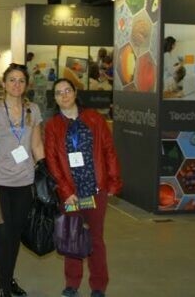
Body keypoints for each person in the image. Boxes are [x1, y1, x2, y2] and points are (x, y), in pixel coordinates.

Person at [44, 79, 122, 297]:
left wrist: (114, 181)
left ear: (75, 92)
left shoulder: (95, 119)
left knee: (96, 239)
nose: (64, 95)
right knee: (72, 237)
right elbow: (52, 162)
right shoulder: (52, 126)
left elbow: (109, 150)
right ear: (55, 98)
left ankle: (98, 286)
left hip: (95, 191)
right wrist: (66, 192)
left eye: (67, 90)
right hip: (71, 195)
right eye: (59, 93)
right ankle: (72, 284)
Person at [0, 63, 45, 297]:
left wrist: (44, 169)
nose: (16, 84)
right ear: (4, 83)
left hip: (24, 181)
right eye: (12, 80)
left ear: (26, 84)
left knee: (16, 234)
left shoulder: (33, 110)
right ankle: (4, 286)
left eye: (21, 80)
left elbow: (36, 144)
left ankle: (8, 279)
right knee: (3, 235)